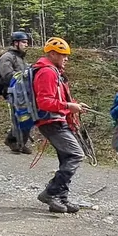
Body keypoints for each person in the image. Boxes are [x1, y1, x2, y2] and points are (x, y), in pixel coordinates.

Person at [33, 37, 89, 214]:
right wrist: (68, 107)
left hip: (57, 119)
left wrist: (75, 106)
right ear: (52, 54)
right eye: (63, 55)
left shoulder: (53, 71)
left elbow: (58, 98)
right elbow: (44, 102)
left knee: (67, 158)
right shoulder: (47, 72)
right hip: (51, 121)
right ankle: (51, 192)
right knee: (75, 155)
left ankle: (61, 198)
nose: (66, 58)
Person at [0, 31, 33, 153]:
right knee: (20, 117)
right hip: (13, 92)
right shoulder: (7, 57)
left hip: (22, 92)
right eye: (23, 42)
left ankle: (20, 142)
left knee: (27, 117)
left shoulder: (20, 57)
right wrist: (24, 75)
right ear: (15, 43)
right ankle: (13, 141)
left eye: (27, 42)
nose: (26, 44)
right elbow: (7, 76)